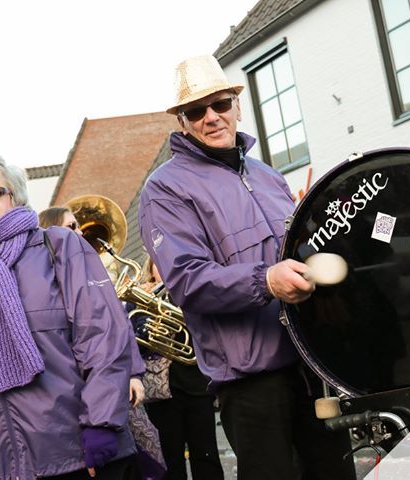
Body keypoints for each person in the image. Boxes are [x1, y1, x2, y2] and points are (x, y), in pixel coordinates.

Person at [138, 55, 355, 480]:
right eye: (196, 111)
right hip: (250, 380)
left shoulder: (268, 176)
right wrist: (266, 280)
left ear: (237, 106)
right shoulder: (164, 189)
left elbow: (300, 250)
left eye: (220, 104)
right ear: (182, 122)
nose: (211, 117)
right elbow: (186, 281)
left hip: (311, 365)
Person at [0, 154, 139, 479]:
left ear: (14, 198)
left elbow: (103, 337)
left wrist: (101, 423)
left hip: (73, 457)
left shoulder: (57, 247)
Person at [38, 205, 166, 480]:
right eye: (71, 227)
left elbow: (116, 325)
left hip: (113, 384)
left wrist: (133, 372)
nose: (79, 233)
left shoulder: (90, 268)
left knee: (147, 449)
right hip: (82, 395)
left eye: (78, 226)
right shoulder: (44, 278)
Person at [132, 257, 224, 480]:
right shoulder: (140, 298)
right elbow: (133, 344)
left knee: (206, 454)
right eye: (158, 263)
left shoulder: (190, 291)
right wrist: (144, 329)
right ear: (151, 269)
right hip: (161, 390)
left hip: (197, 384)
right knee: (171, 458)